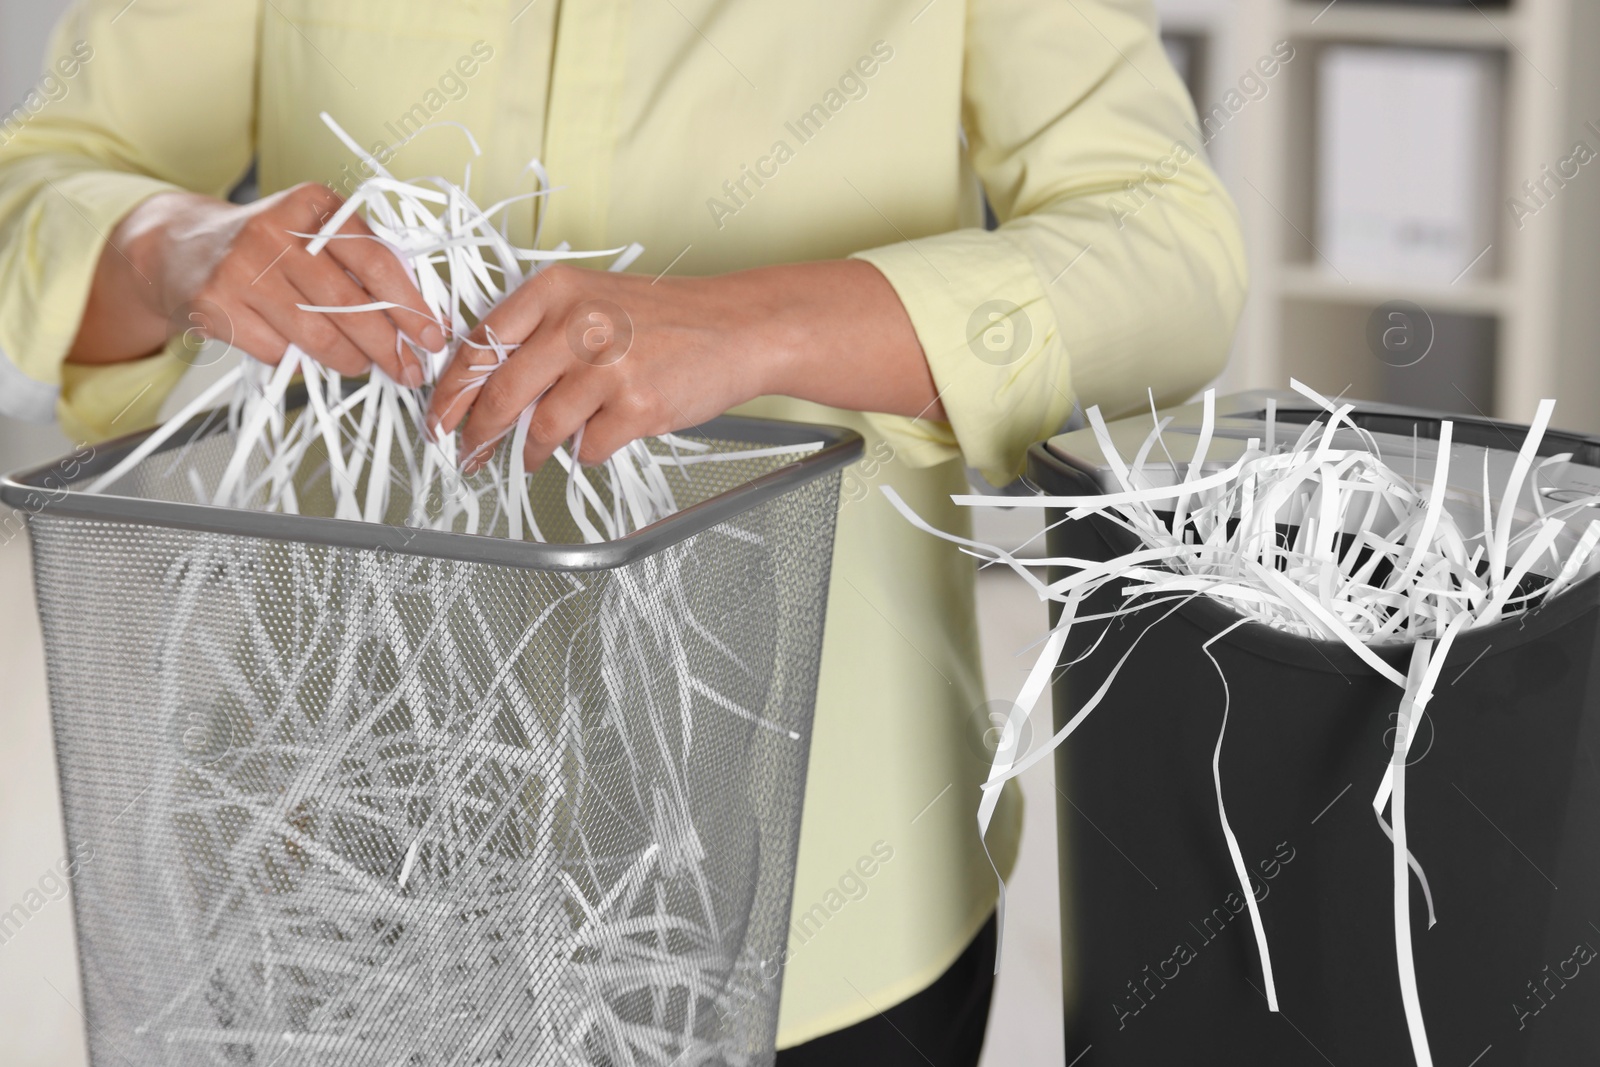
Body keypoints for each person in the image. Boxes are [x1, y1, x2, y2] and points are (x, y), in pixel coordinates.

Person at [0, 1, 1245, 1062]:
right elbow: (46, 173)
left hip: (816, 893)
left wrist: (754, 326)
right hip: (342, 857)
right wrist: (176, 245)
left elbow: (1168, 252)